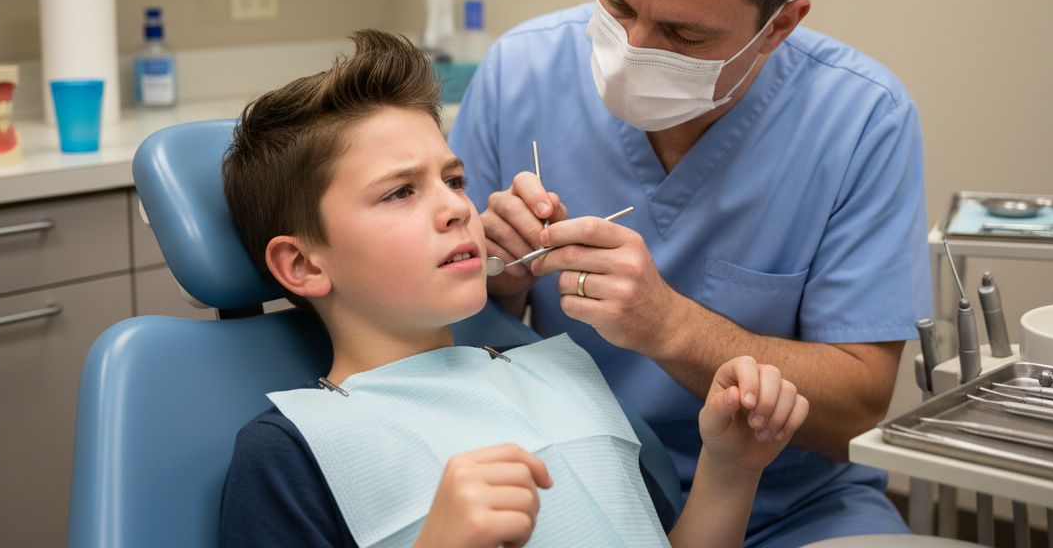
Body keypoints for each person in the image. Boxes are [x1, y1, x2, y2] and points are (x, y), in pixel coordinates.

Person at [449, 0, 932, 545]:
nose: (630, 51)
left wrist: (671, 327)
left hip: (790, 511)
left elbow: (857, 406)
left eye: (683, 36)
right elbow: (439, 339)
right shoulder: (520, 74)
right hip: (566, 490)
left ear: (780, 24)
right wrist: (500, 278)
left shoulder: (862, 118)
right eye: (616, 2)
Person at [217, 29, 810, 547]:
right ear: (302, 265)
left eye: (454, 179)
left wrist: (730, 469)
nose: (455, 207)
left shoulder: (560, 377)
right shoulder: (295, 451)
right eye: (400, 191)